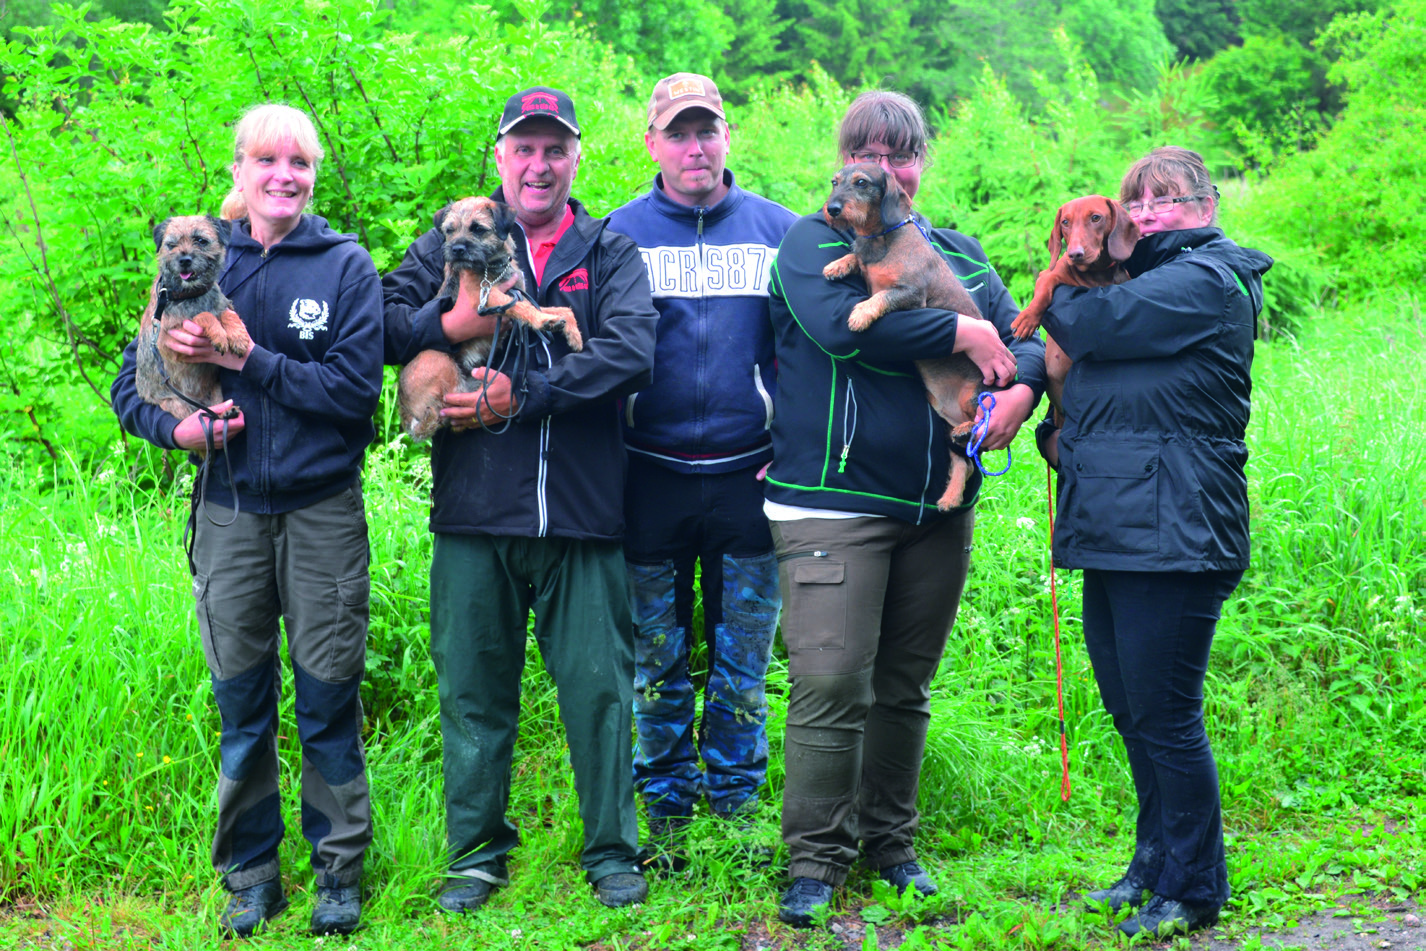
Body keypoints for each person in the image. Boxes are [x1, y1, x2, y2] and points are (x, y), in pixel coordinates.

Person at [763, 90, 1046, 927]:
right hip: (831, 502)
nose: (888, 172)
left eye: (903, 155)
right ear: (847, 164)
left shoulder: (952, 250)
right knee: (827, 681)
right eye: (870, 156)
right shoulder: (811, 241)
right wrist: (966, 337)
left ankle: (892, 846)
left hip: (937, 505)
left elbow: (1021, 330)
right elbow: (848, 332)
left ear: (920, 165)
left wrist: (1024, 387)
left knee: (902, 685)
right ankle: (815, 860)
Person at [381, 86, 659, 911]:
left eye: (555, 148)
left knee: (600, 690)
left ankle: (612, 850)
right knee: (472, 690)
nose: (539, 164)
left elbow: (630, 354)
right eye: (523, 147)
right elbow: (390, 327)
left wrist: (525, 393)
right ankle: (475, 854)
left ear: (576, 157)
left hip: (583, 512)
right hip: (473, 510)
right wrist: (458, 319)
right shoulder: (453, 240)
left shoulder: (609, 251)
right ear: (500, 157)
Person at [111, 103, 384, 937]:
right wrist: (178, 429)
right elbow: (134, 387)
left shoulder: (345, 267)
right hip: (227, 511)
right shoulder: (189, 262)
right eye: (266, 160)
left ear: (313, 175)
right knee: (242, 703)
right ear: (238, 170)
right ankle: (251, 873)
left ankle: (338, 871)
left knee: (330, 697)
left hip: (321, 511)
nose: (282, 176)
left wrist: (246, 359)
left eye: (298, 162)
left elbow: (352, 396)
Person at [1036, 146, 1269, 938]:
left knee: (1167, 714)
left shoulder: (1208, 277)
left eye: (1166, 199)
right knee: (1132, 710)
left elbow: (1093, 323)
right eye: (1138, 199)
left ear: (1204, 205)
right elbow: (1110, 390)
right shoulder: (1143, 277)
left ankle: (1195, 884)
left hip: (1178, 529)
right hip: (1119, 524)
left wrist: (1047, 293)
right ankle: (1150, 865)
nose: (1147, 212)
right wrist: (1057, 433)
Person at [604, 72, 797, 865]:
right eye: (678, 132)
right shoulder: (615, 236)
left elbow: (803, 356)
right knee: (656, 652)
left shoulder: (781, 231)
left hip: (749, 476)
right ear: (652, 143)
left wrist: (794, 446)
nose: (695, 146)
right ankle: (667, 803)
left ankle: (736, 799)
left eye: (707, 129)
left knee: (743, 652)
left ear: (727, 136)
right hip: (648, 476)